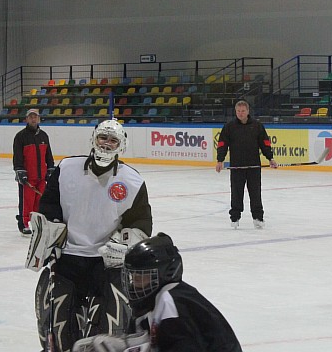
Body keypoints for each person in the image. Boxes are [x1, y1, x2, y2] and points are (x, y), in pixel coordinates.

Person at [25, 119, 153, 352]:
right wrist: (51, 232)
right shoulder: (67, 168)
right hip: (67, 259)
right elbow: (49, 205)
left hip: (107, 265)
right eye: (103, 137)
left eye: (113, 140)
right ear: (93, 139)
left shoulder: (132, 181)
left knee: (109, 333)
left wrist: (123, 243)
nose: (106, 143)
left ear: (121, 146)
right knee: (59, 333)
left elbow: (141, 222)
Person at [72, 232, 243, 352]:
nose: (135, 283)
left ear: (165, 274)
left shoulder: (171, 301)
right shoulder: (153, 305)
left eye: (142, 277)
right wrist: (126, 345)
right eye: (133, 276)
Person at [215, 100, 277, 229]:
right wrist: (220, 160)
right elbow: (222, 144)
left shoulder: (257, 126)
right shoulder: (229, 127)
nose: (240, 113)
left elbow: (265, 143)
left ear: (248, 111)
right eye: (238, 111)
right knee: (236, 193)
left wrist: (270, 158)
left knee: (255, 193)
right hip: (237, 167)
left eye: (243, 111)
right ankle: (235, 217)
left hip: (254, 167)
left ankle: (258, 217)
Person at [12, 108, 55, 235]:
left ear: (39, 119)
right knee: (27, 202)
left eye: (35, 116)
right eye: (30, 117)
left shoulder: (44, 135)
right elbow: (17, 156)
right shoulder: (20, 136)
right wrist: (19, 170)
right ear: (26, 119)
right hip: (28, 177)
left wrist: (51, 167)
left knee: (40, 202)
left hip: (41, 177)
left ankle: (37, 223)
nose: (33, 119)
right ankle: (24, 223)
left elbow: (48, 154)